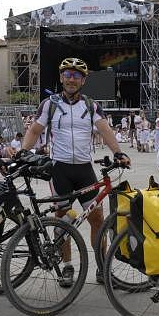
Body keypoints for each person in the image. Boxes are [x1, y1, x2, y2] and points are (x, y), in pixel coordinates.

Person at [20, 57, 130, 285]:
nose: (72, 79)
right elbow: (35, 130)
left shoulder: (91, 106)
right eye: (68, 75)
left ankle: (102, 268)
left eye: (77, 75)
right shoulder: (49, 104)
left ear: (83, 80)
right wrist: (23, 152)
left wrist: (119, 152)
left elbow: (105, 130)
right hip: (59, 169)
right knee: (62, 220)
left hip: (84, 169)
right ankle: (67, 266)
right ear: (61, 78)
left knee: (97, 219)